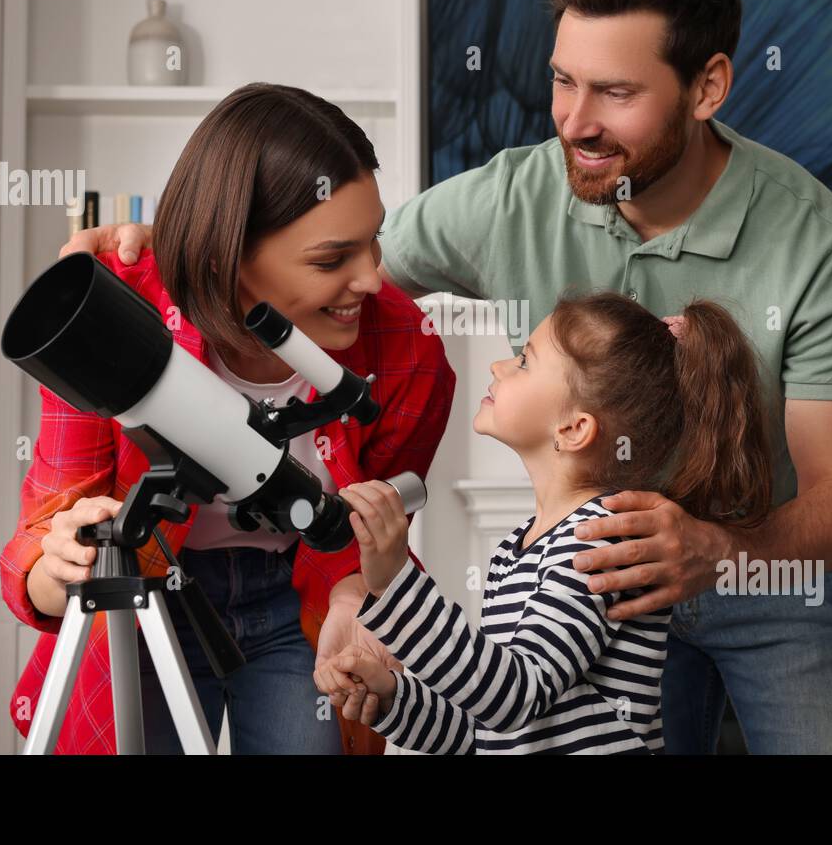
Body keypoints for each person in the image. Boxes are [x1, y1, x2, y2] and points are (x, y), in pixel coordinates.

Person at [63, 0, 832, 753]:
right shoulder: (512, 196)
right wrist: (161, 263)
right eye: (562, 82)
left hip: (773, 576)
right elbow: (331, 266)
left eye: (616, 92)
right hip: (599, 577)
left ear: (708, 86)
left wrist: (716, 549)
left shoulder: (816, 244)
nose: (573, 121)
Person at [0, 83, 456, 754]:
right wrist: (58, 567)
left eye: (373, 243)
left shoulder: (403, 348)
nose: (370, 279)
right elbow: (41, 535)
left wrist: (356, 592)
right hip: (145, 591)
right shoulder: (113, 314)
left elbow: (372, 533)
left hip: (296, 609)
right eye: (333, 258)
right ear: (226, 254)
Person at [322, 293, 772, 753]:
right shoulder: (516, 550)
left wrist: (398, 583)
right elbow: (493, 733)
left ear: (573, 429)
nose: (499, 366)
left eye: (523, 361)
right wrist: (395, 697)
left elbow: (514, 698)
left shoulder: (605, 538)